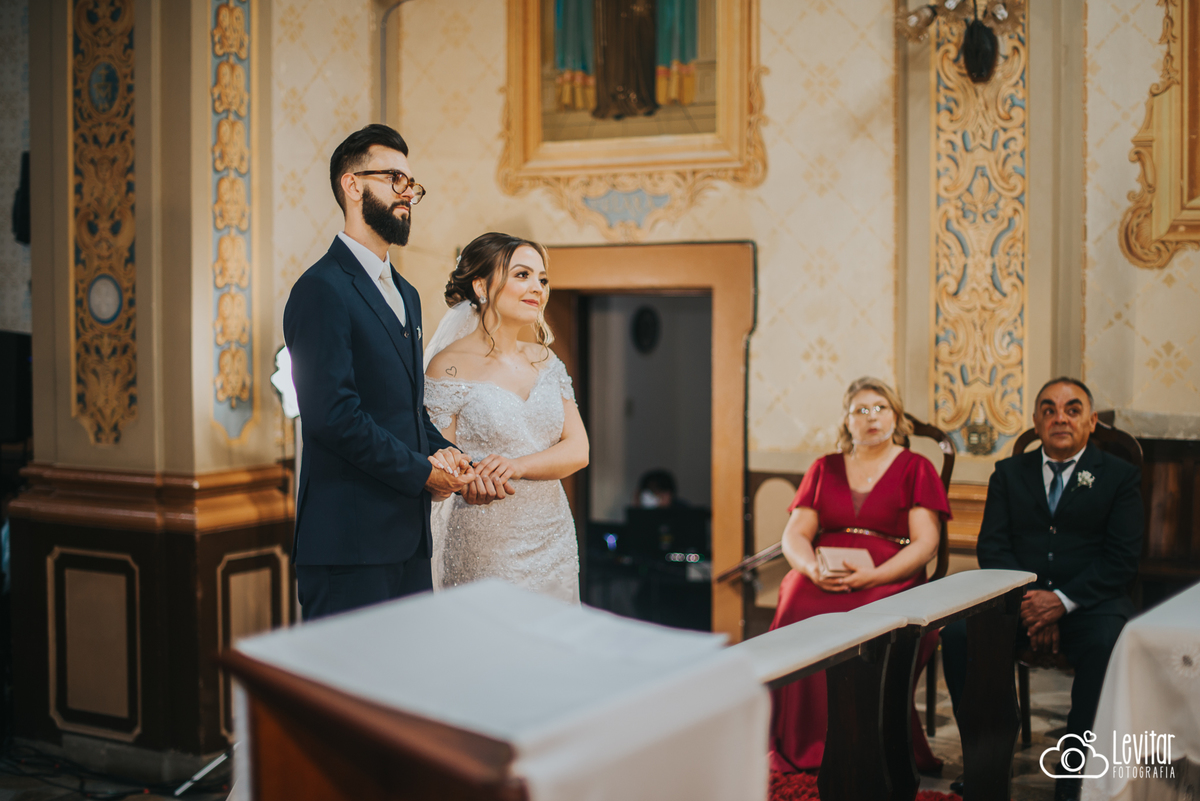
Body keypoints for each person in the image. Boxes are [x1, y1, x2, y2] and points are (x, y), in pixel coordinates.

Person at [283, 124, 486, 621]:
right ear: (352, 185)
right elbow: (333, 417)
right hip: (349, 545)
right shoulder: (321, 289)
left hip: (407, 539)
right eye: (394, 179)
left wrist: (451, 456)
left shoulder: (407, 294)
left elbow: (406, 409)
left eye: (411, 183)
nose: (407, 193)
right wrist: (423, 474)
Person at [940, 377, 1142, 801]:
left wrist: (1062, 602)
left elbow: (1121, 559)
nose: (1060, 418)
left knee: (1109, 642)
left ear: (1091, 422)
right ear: (1036, 422)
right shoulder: (1008, 473)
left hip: (1090, 605)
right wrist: (1031, 602)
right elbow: (992, 547)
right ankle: (984, 764)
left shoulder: (1119, 476)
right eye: (1049, 410)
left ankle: (1076, 777)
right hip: (1020, 602)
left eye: (1072, 409)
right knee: (959, 635)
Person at [768, 377, 949, 775]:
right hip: (825, 572)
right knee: (794, 595)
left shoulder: (916, 467)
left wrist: (875, 576)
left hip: (890, 576)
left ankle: (862, 739)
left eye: (880, 408)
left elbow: (925, 543)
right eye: (860, 410)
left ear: (896, 417)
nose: (871, 417)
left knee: (869, 615)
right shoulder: (824, 467)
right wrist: (811, 568)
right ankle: (800, 738)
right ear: (846, 421)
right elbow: (795, 535)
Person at [423, 232, 589, 603]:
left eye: (542, 279)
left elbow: (579, 449)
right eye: (522, 275)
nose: (537, 288)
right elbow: (441, 463)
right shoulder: (447, 366)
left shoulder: (546, 360)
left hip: (554, 539)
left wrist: (516, 466)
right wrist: (465, 479)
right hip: (486, 543)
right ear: (481, 286)